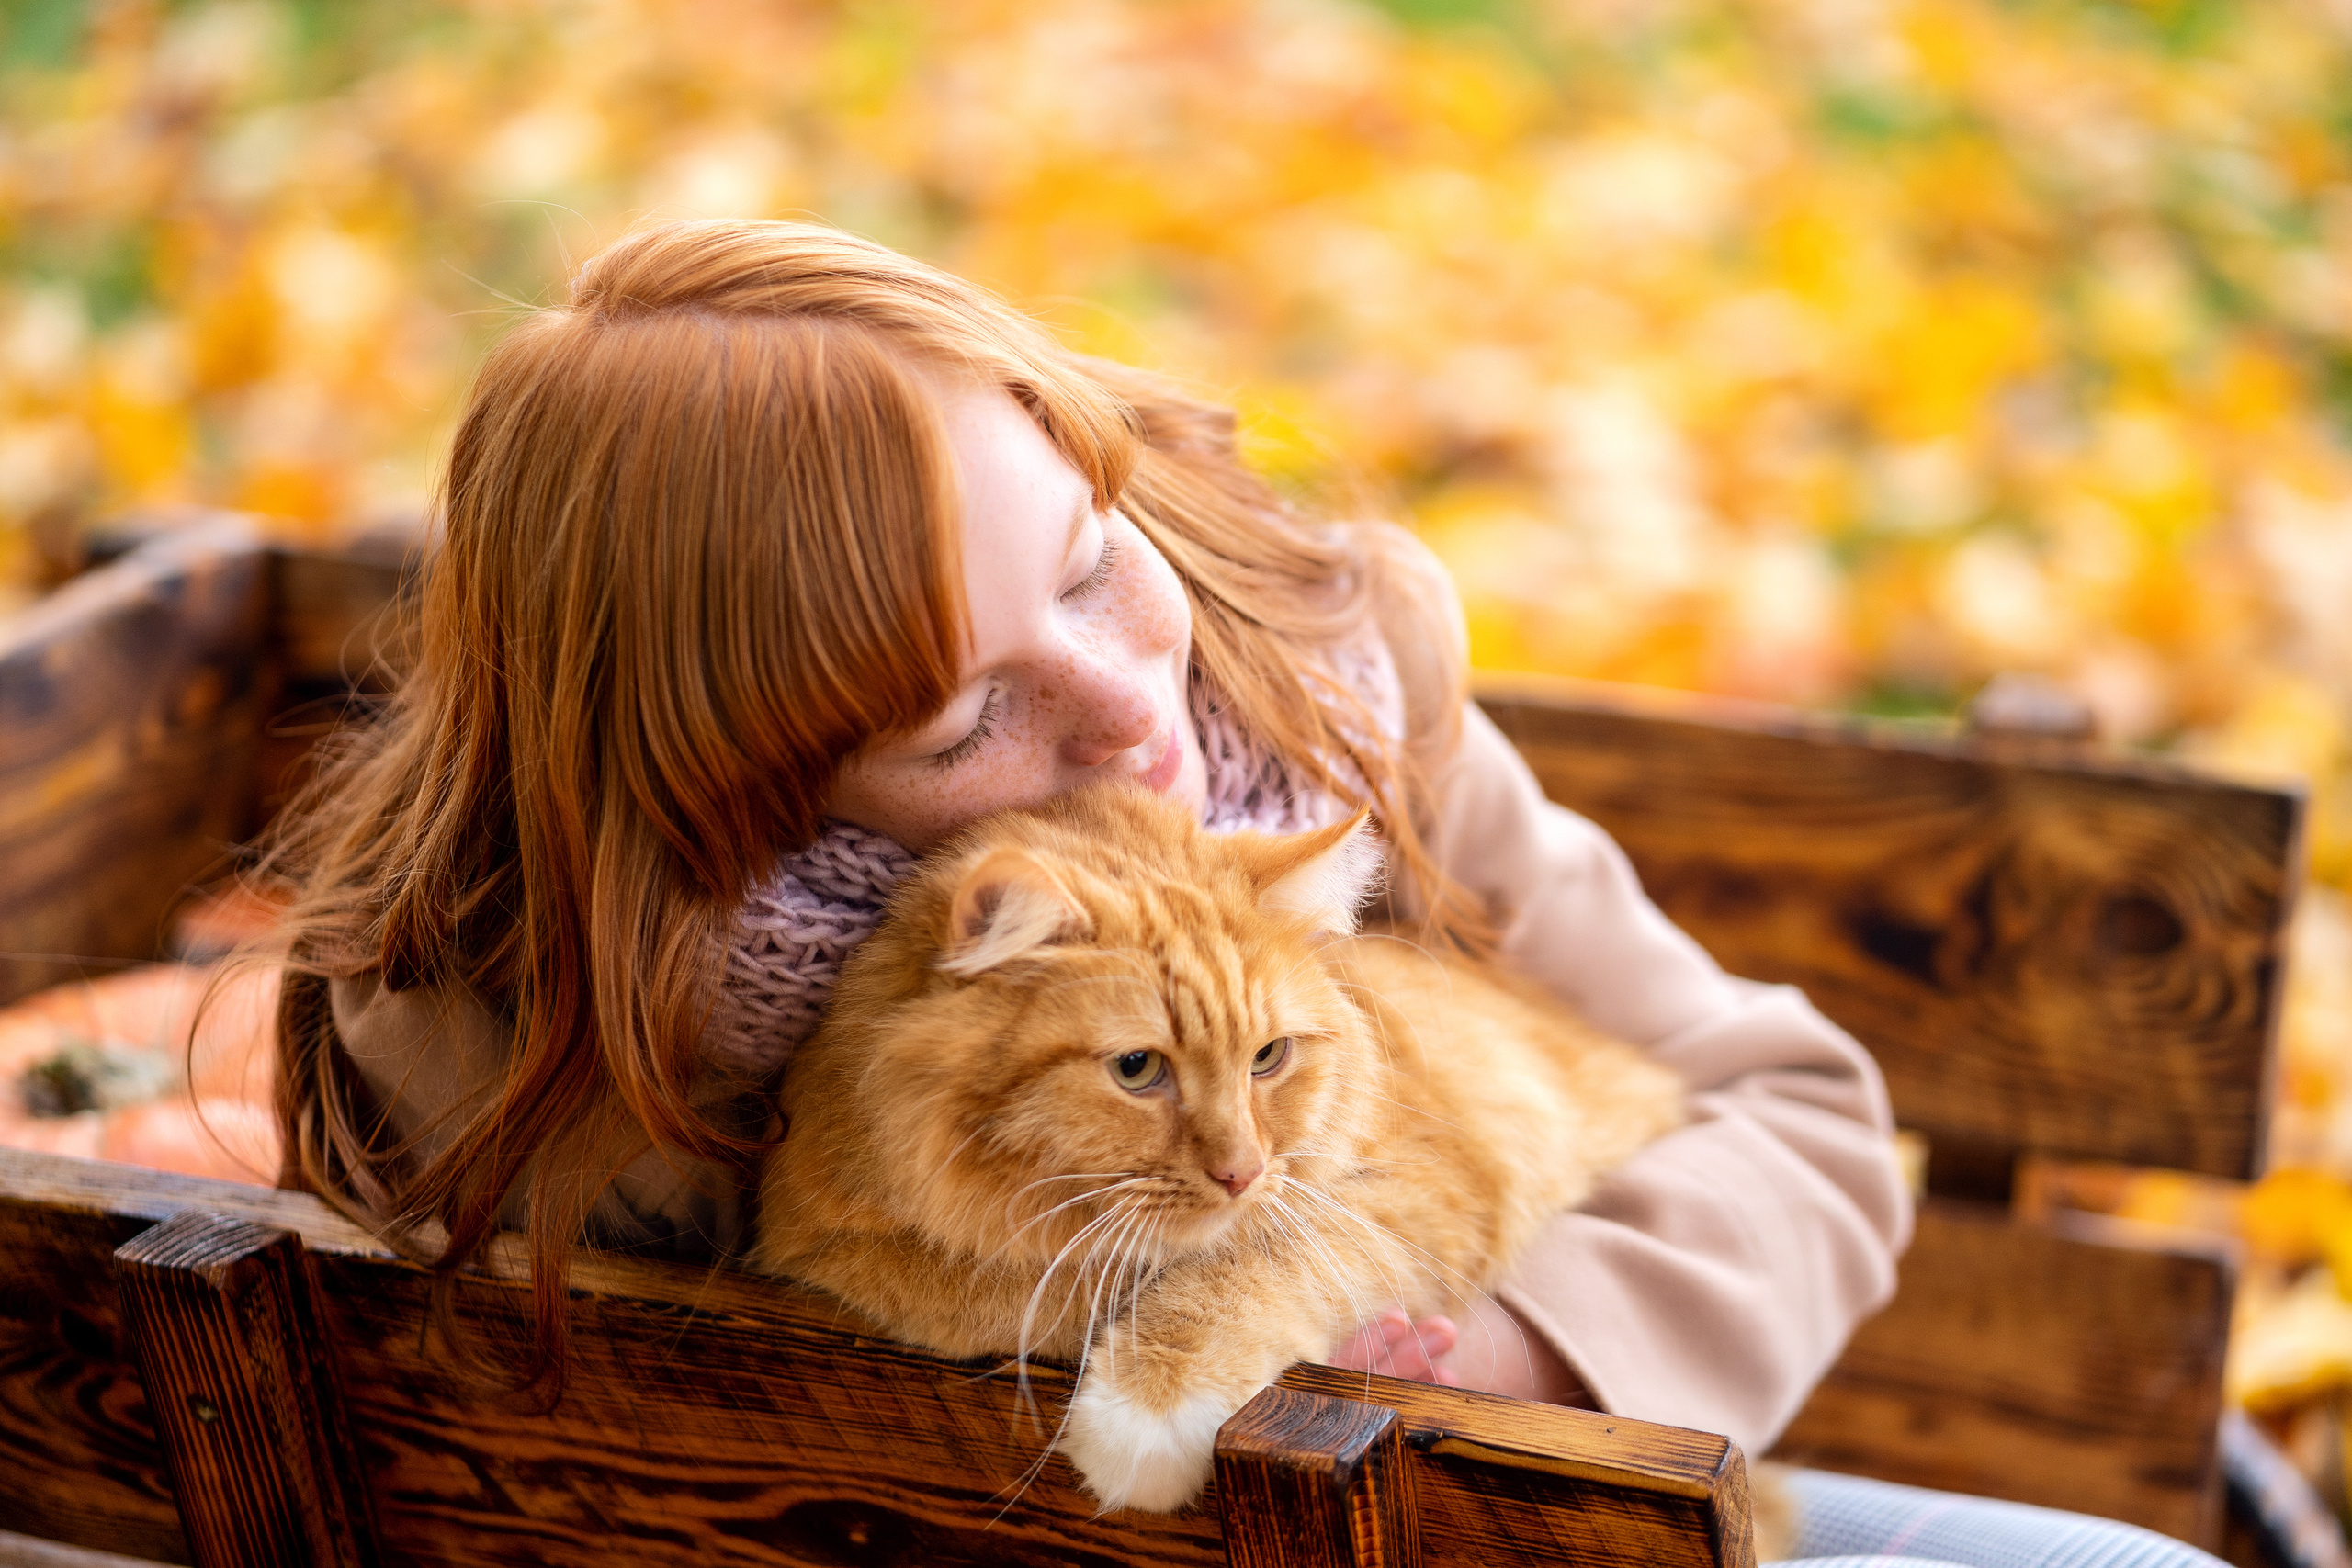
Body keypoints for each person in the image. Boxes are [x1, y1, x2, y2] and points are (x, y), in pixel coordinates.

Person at [265, 219, 2219, 1567]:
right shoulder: (542, 1031)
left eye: (1095, 564)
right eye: (961, 719)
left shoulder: (1306, 703)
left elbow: (1792, 1114)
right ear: (725, 795)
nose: (1136, 719)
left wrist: (1491, 1355)